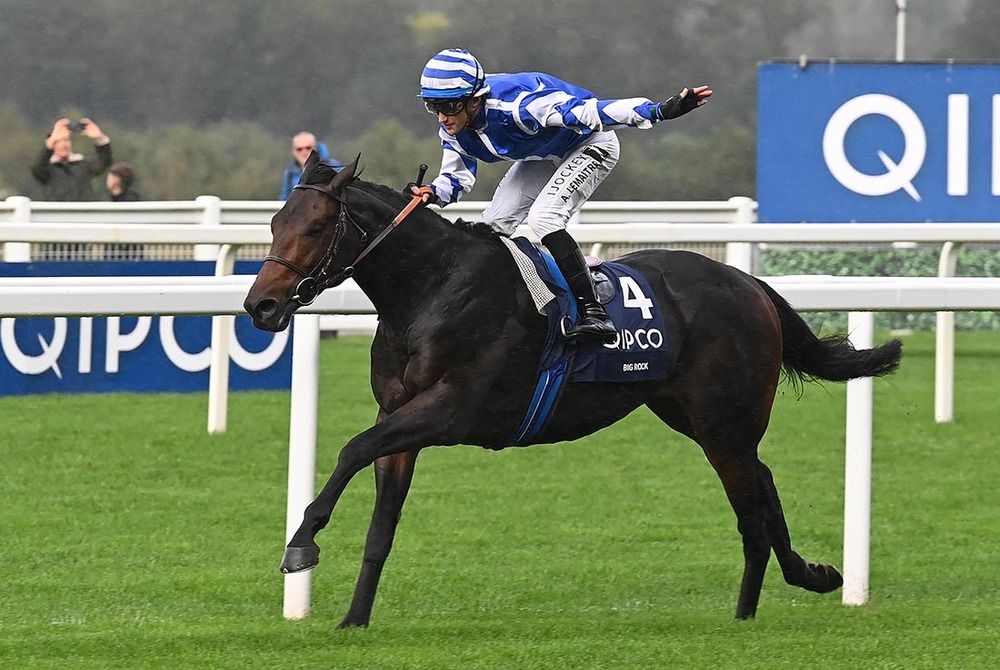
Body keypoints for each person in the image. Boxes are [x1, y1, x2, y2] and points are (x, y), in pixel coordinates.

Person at [409, 49, 712, 343]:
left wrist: (657, 111)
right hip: (543, 155)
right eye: (433, 107)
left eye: (449, 107)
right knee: (490, 229)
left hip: (591, 143)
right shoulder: (453, 127)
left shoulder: (520, 107)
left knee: (544, 218)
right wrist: (432, 193)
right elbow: (456, 178)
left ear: (475, 100)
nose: (442, 118)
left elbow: (594, 112)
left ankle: (593, 311)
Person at [31, 117, 113, 201]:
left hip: (82, 209)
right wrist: (51, 141)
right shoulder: (48, 169)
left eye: (67, 140)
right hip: (58, 209)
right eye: (59, 141)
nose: (64, 145)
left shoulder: (82, 164)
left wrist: (100, 138)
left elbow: (104, 162)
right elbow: (37, 170)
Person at [280, 131, 340, 199]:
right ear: (293, 151)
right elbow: (285, 199)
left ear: (316, 148)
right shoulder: (290, 173)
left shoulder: (333, 167)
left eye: (308, 148)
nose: (304, 152)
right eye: (299, 149)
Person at [104, 162, 144, 260]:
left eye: (110, 177)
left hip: (128, 253)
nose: (107, 180)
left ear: (117, 179)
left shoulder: (130, 200)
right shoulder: (116, 199)